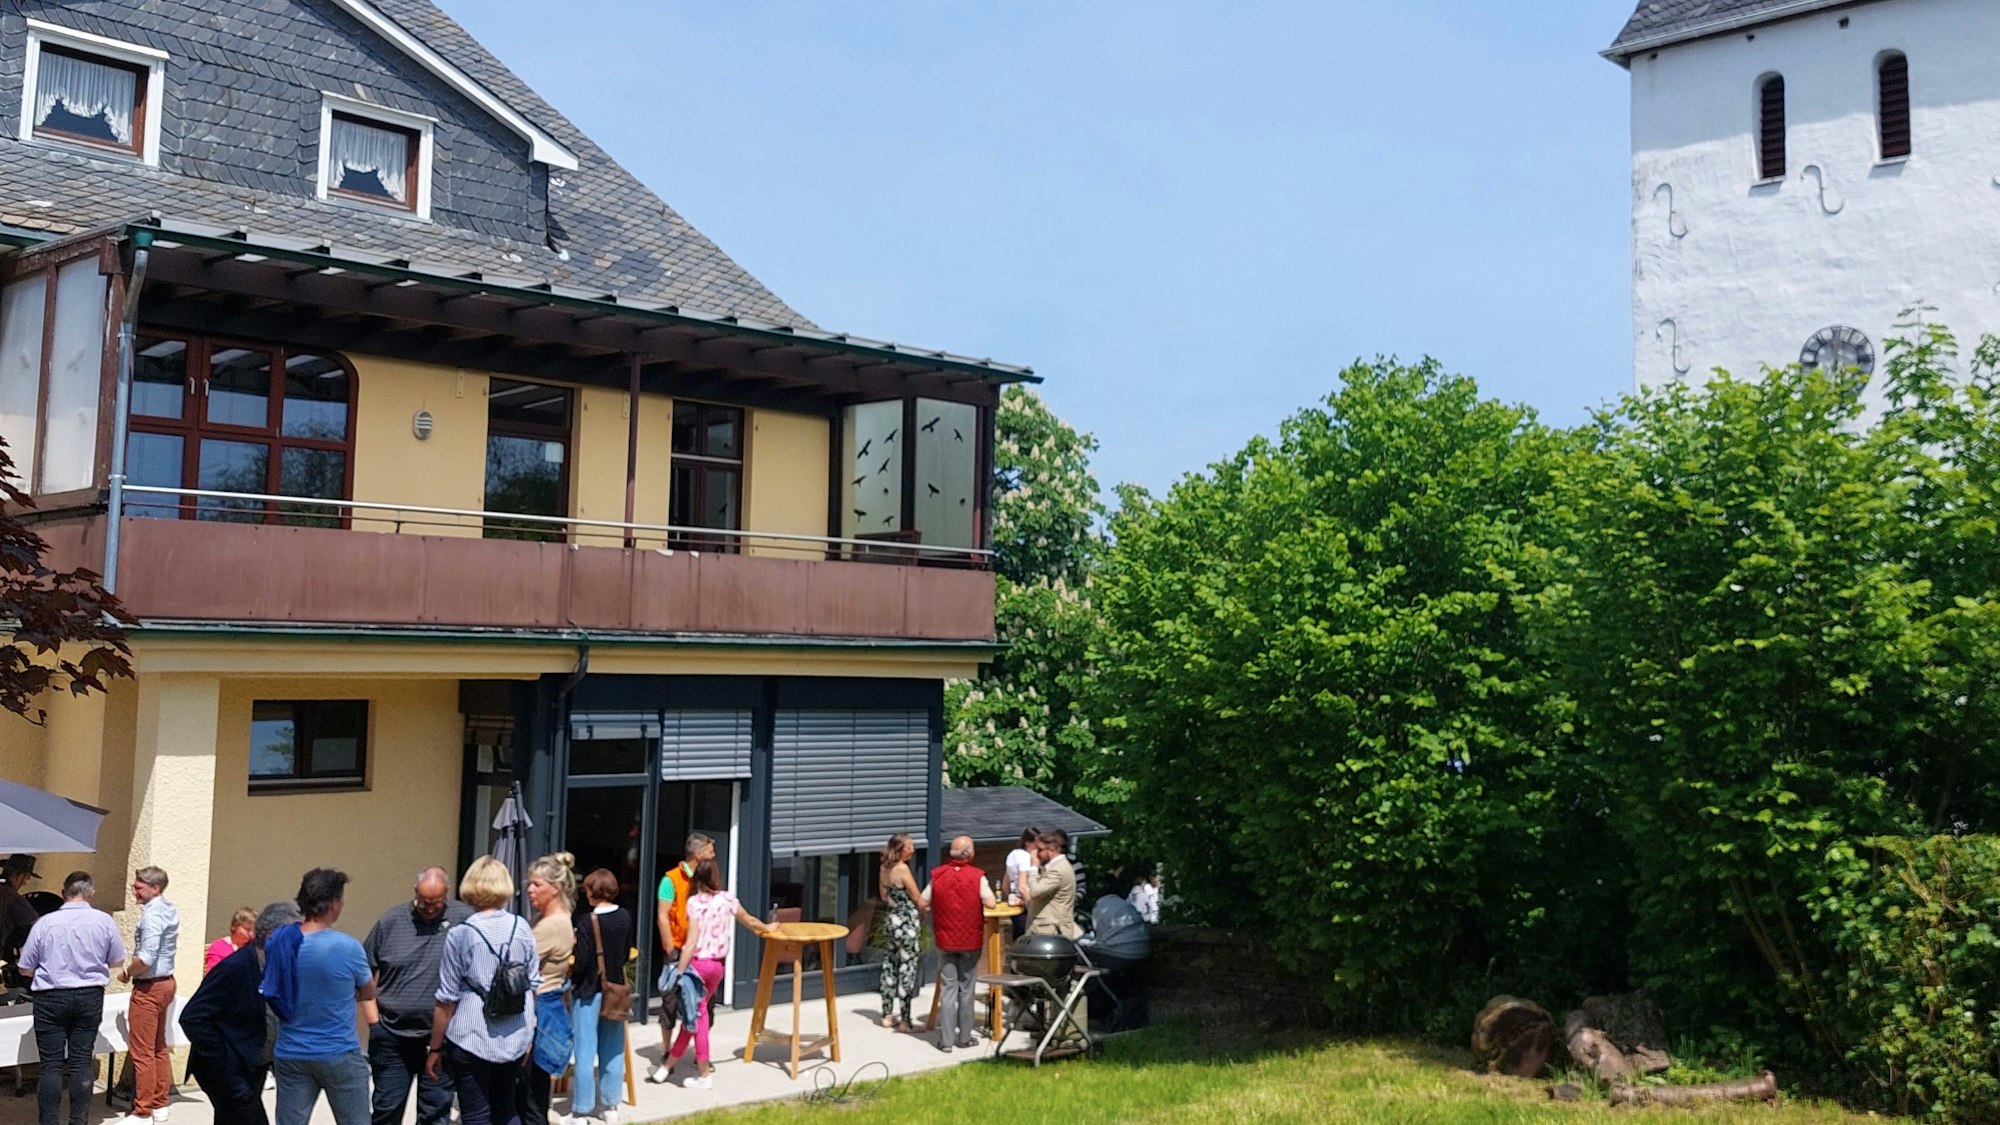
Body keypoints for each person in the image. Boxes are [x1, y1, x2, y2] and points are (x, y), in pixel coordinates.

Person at [263, 867, 378, 1125]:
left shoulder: (279, 942)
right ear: (334, 904)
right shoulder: (347, 947)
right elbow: (368, 991)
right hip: (339, 1051)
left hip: (291, 1050)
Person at [426, 856, 537, 1125]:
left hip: (471, 1033)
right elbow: (532, 985)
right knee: (507, 1109)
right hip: (515, 1031)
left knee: (476, 1114)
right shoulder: (521, 926)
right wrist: (529, 1032)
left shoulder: (461, 934)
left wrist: (435, 1047)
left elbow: (447, 998)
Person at [364, 868, 472, 1125]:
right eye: (424, 902)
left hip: (442, 1037)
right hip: (391, 1036)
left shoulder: (465, 920)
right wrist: (373, 1021)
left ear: (447, 894)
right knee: (386, 1109)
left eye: (436, 903)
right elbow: (364, 971)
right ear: (415, 893)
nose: (430, 908)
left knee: (435, 1112)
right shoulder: (391, 921)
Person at [181, 901, 302, 1125]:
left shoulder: (275, 964)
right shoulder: (235, 967)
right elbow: (192, 1017)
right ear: (270, 935)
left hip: (253, 1067)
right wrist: (225, 1061)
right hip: (229, 1070)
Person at [18, 871, 125, 1125]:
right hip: (89, 995)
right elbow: (117, 960)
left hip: (51, 996)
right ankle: (79, 1120)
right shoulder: (104, 922)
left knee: (51, 1065)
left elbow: (24, 966)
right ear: (91, 893)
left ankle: (49, 1121)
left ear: (64, 892)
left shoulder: (44, 923)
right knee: (80, 1061)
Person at [666, 858, 773, 1090]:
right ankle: (667, 1067)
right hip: (717, 967)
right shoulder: (727, 899)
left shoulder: (694, 902)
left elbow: (691, 941)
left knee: (698, 1015)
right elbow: (751, 922)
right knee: (695, 1013)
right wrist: (768, 928)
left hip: (697, 965)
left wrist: (679, 970)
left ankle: (703, 1073)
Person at [646, 832, 712, 1084]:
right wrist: (670, 948)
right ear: (698, 854)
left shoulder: (707, 879)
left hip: (700, 951)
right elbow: (663, 915)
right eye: (709, 850)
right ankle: (666, 1051)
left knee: (703, 1004)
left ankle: (700, 1055)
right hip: (677, 950)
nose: (714, 855)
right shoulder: (670, 880)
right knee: (670, 1002)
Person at [570, 869, 634, 1124]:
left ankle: (582, 1109)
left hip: (589, 991)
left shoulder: (587, 921)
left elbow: (583, 960)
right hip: (616, 989)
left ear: (592, 892)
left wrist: (572, 978)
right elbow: (626, 951)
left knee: (585, 1052)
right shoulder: (625, 916)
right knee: (613, 1051)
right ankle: (611, 1106)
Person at [118, 865, 181, 1124]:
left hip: (150, 985)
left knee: (142, 1051)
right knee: (158, 1046)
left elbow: (145, 958)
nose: (134, 889)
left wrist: (126, 972)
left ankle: (142, 1111)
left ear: (154, 888)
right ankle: (159, 1103)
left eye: (139, 886)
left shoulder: (152, 915)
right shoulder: (169, 907)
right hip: (166, 982)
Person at [923, 835, 996, 1052]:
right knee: (967, 989)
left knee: (948, 989)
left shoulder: (938, 875)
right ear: (969, 854)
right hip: (970, 940)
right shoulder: (977, 876)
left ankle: (945, 1041)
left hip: (945, 940)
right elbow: (991, 903)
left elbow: (923, 900)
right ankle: (964, 1037)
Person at [522, 854, 576, 1125]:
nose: (530, 889)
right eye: (529, 884)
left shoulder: (552, 925)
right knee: (533, 1092)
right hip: (548, 1004)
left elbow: (518, 963)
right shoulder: (551, 918)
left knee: (530, 1094)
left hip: (539, 1007)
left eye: (537, 884)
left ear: (555, 888)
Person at [876, 833, 924, 1031]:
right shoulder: (902, 869)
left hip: (891, 921)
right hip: (907, 924)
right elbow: (916, 897)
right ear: (900, 850)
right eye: (909, 846)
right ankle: (905, 1020)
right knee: (907, 969)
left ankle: (887, 1014)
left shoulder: (884, 868)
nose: (912, 849)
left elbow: (883, 895)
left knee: (890, 966)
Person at [1025, 831, 1081, 939]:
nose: (1035, 854)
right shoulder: (1053, 867)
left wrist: (1033, 868)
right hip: (1045, 933)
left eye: (1039, 850)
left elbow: (1035, 892)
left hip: (1050, 933)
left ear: (1052, 850)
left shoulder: (1058, 870)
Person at [0, 853, 43, 987]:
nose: (25, 882)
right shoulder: (12, 897)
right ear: (19, 876)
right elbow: (38, 925)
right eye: (26, 878)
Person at [1003, 827, 1038, 938]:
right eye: (1036, 844)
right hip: (1026, 903)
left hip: (1015, 903)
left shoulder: (1012, 855)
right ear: (1028, 843)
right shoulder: (1026, 858)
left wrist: (1011, 897)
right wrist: (1031, 907)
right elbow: (1023, 886)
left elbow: (1005, 885)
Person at [206, 908, 257, 975]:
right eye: (247, 929)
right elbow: (213, 975)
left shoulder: (255, 947)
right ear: (234, 926)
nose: (251, 934)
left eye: (253, 930)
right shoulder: (218, 948)